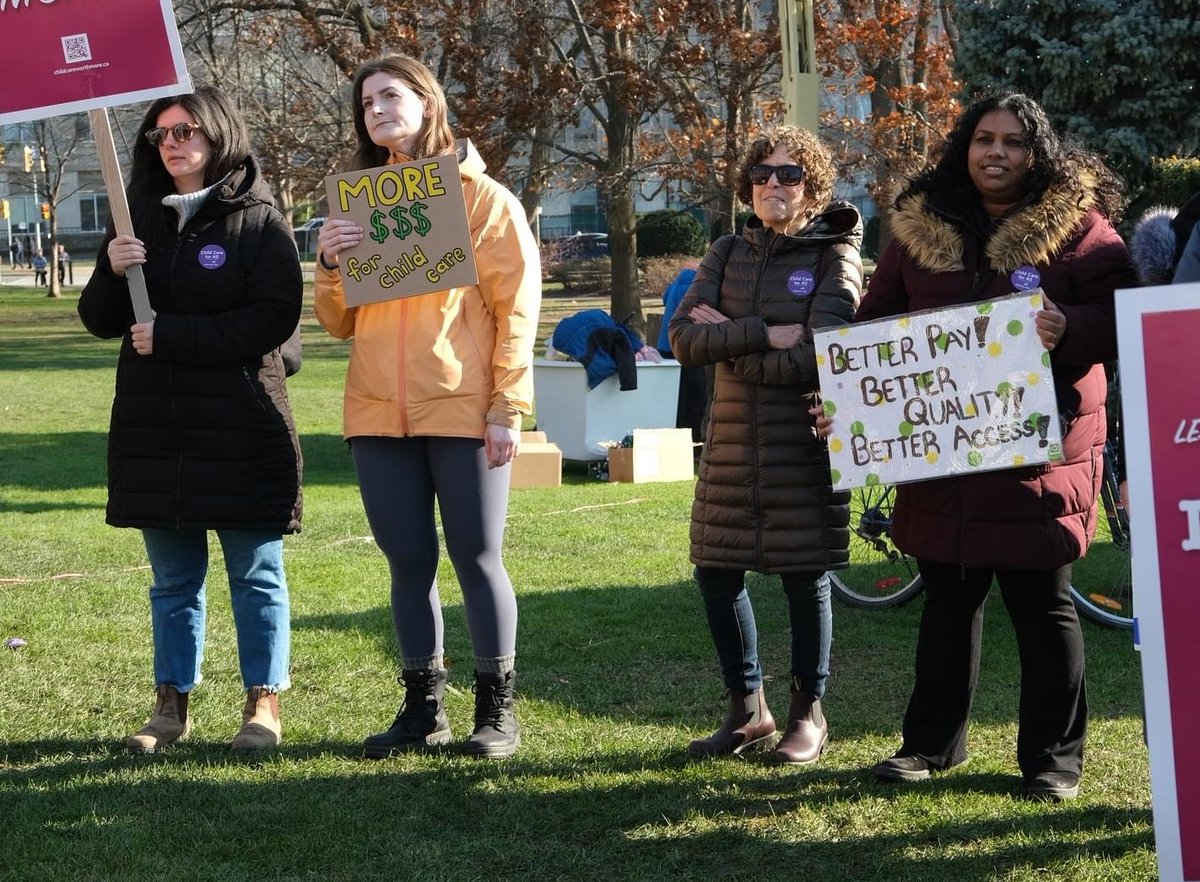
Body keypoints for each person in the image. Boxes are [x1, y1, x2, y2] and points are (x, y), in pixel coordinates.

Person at [843, 91, 1136, 800]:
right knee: (948, 600)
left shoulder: (1081, 231)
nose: (997, 153)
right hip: (939, 455)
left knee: (1043, 606)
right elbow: (875, 322)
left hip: (1039, 453)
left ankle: (1051, 762)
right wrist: (847, 399)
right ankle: (930, 747)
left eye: (1013, 142)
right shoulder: (920, 229)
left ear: (1038, 154)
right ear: (963, 147)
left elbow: (1125, 313)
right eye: (984, 139)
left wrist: (1072, 327)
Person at [314, 55, 541, 760]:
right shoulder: (358, 206)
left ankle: (496, 712)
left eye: (389, 95)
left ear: (425, 100)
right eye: (365, 102)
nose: (376, 109)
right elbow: (340, 323)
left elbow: (517, 311)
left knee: (477, 557)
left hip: (464, 411)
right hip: (378, 415)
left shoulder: (483, 200)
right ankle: (422, 710)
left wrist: (507, 407)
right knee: (407, 562)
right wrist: (326, 264)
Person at [78, 85, 303, 753]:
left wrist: (173, 336)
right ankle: (170, 706)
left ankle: (263, 704)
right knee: (173, 580)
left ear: (218, 134)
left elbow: (273, 320)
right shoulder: (135, 217)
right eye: (161, 134)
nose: (172, 143)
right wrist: (113, 271)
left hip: (241, 424)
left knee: (255, 572)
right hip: (159, 431)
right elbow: (99, 321)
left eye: (185, 130)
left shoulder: (259, 220)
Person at [668, 126, 862, 764]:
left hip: (800, 448)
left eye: (789, 175)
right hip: (728, 451)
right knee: (715, 574)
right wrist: (760, 332)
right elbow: (683, 339)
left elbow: (819, 357)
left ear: (814, 185)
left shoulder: (834, 255)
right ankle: (746, 711)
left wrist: (734, 342)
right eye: (761, 174)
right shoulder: (726, 251)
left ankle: (809, 713)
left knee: (806, 580)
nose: (773, 185)